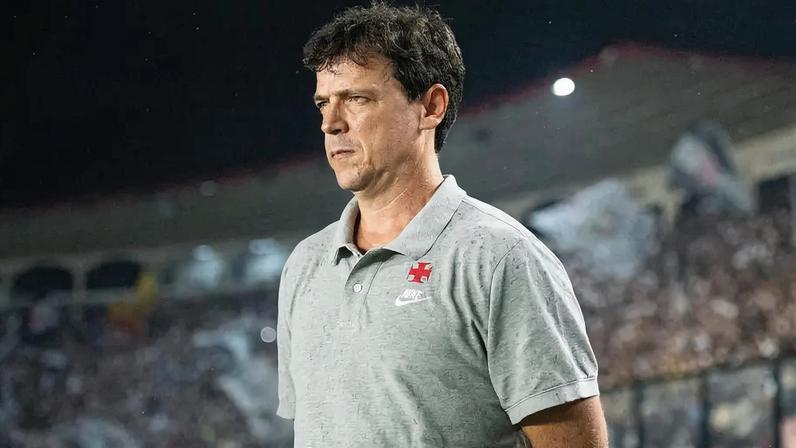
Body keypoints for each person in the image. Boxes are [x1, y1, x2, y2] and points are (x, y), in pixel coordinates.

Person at [276, 3, 608, 447]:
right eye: (323, 103)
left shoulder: (499, 257)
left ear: (430, 106)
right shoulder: (304, 265)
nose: (331, 123)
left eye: (357, 98)